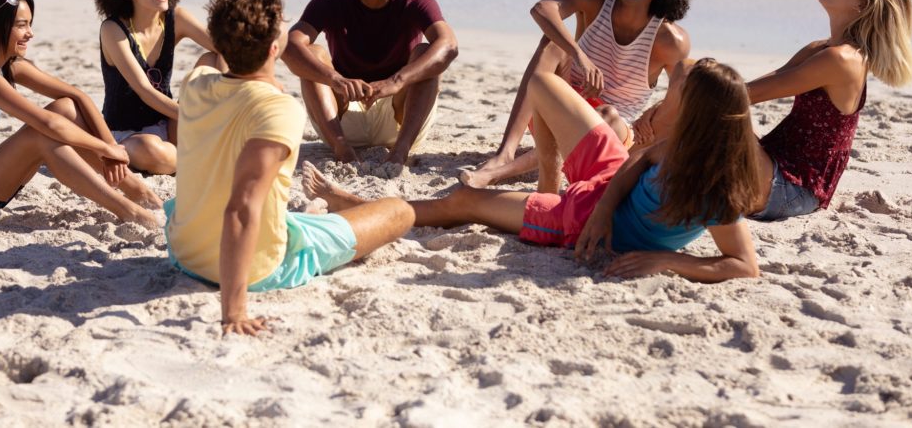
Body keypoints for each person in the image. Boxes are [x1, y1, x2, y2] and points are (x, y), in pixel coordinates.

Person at [305, 58, 763, 283]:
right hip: (605, 187)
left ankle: (365, 207)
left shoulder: (716, 189)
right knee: (545, 84)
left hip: (576, 219)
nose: (669, 91)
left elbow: (744, 265)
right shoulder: (677, 143)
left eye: (678, 88)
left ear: (698, 112)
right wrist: (606, 205)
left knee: (463, 202)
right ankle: (550, 179)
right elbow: (639, 161)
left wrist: (667, 260)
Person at [166, 0, 415, 336]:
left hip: (184, 252)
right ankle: (338, 200)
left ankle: (327, 207)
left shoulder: (196, 84)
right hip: (256, 267)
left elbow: (210, 62)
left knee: (285, 217)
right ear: (274, 49)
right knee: (399, 211)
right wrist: (233, 312)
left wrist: (253, 70)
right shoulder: (279, 110)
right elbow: (242, 206)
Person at [461, 0, 694, 191]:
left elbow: (683, 94)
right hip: (556, 113)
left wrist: (653, 116)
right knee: (553, 43)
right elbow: (542, 9)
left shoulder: (669, 40)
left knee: (608, 117)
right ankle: (506, 152)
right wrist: (579, 55)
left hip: (613, 132)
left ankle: (496, 174)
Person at [0, 0, 159, 227]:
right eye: (21, 25)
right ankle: (131, 212)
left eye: (30, 24)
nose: (30, 33)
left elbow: (76, 96)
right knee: (41, 135)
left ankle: (141, 193)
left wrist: (112, 150)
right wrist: (103, 149)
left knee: (65, 108)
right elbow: (46, 123)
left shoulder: (5, 65)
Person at [282, 0, 459, 165]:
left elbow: (449, 45)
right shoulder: (334, 0)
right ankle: (344, 152)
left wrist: (397, 80)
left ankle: (400, 153)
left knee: (425, 53)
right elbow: (290, 46)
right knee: (314, 52)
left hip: (400, 122)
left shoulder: (416, 1)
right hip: (341, 121)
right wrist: (336, 79)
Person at [747, 0, 912, 220]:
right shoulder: (820, 48)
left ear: (863, 5)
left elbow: (748, 96)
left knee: (716, 113)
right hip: (773, 164)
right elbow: (752, 89)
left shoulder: (842, 60)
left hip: (792, 189)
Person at [91, 0, 223, 175]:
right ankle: (196, 156)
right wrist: (196, 118)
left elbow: (226, 50)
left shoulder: (177, 18)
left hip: (169, 123)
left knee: (212, 60)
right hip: (129, 134)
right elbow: (144, 90)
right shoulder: (113, 29)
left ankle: (193, 153)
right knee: (150, 149)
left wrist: (228, 105)